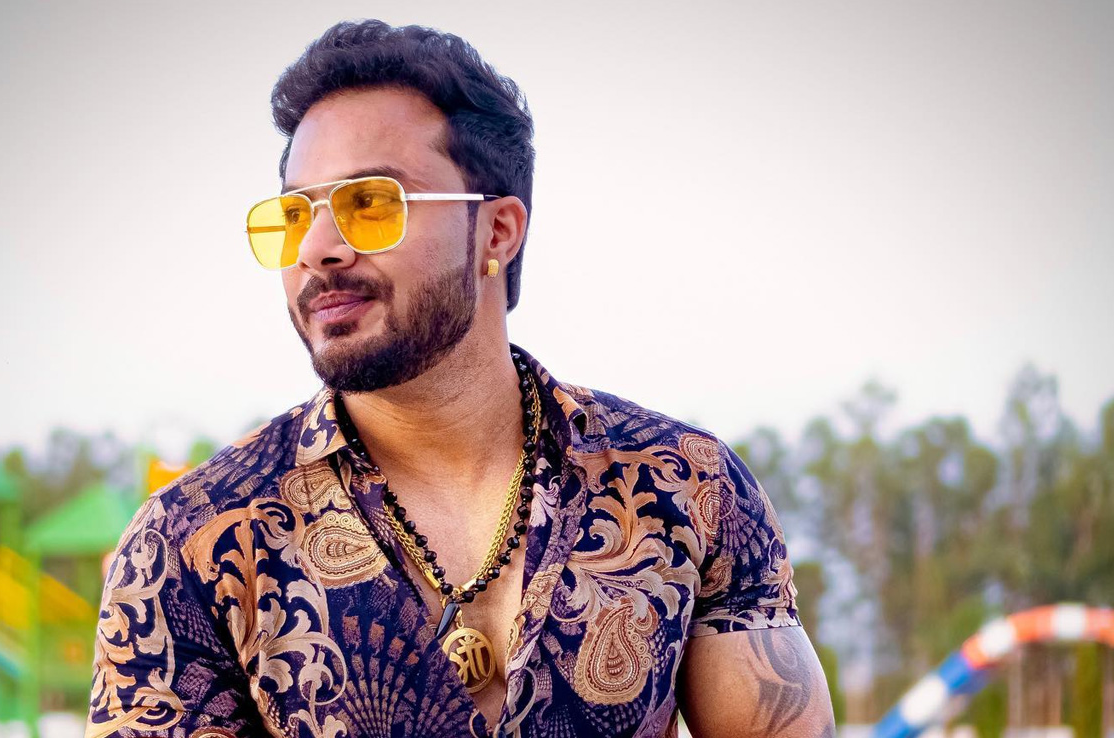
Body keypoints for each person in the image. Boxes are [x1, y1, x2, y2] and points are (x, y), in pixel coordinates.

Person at [85, 19, 833, 738]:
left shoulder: (685, 485)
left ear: (497, 232)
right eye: (294, 215)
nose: (316, 248)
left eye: (370, 203)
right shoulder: (192, 543)